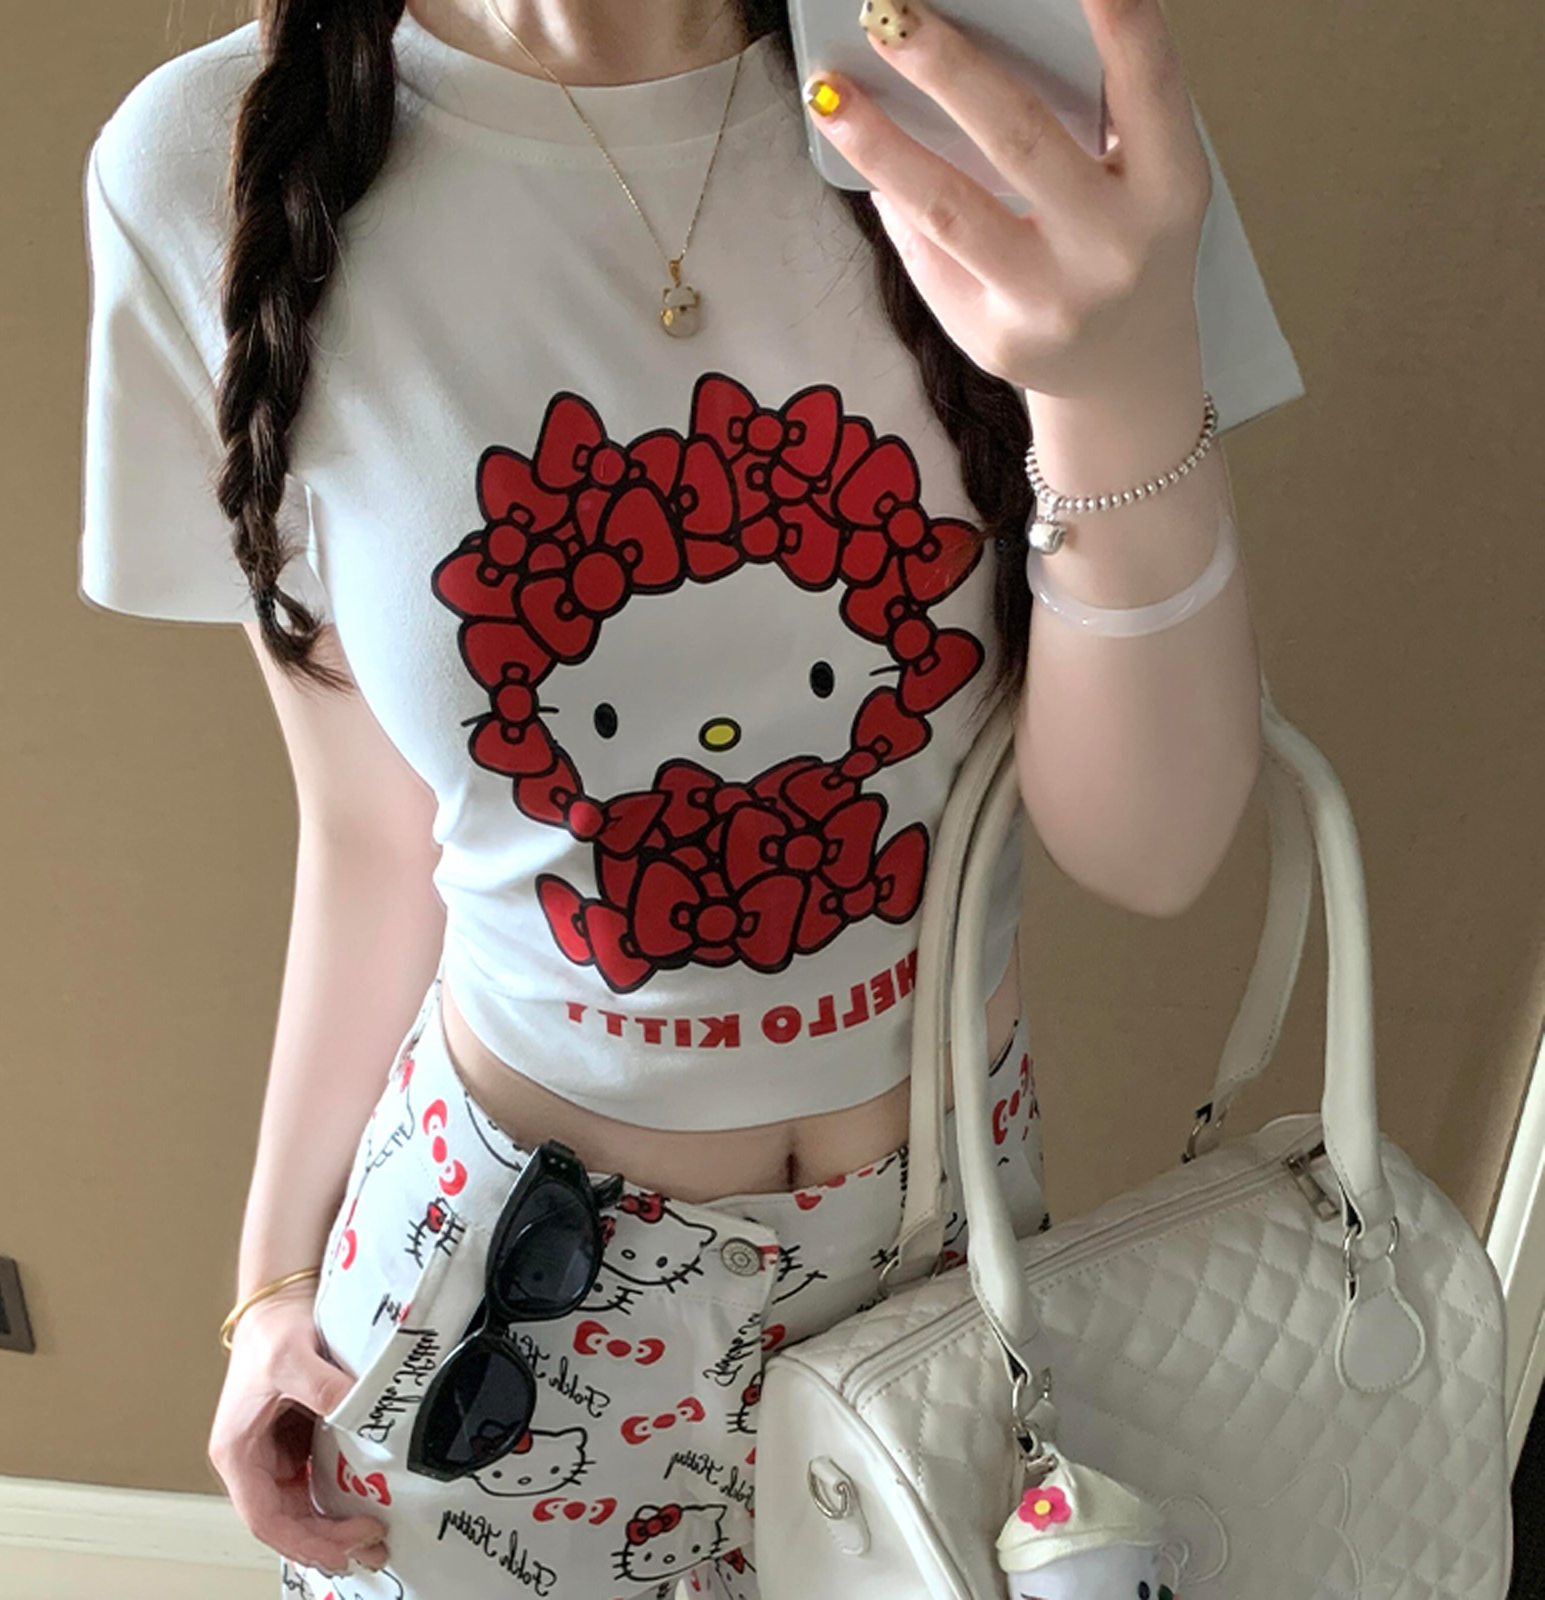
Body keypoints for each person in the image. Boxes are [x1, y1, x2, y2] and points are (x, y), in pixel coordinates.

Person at [77, 0, 1303, 1593]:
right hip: (502, 1286)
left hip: (939, 1262)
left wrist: (1118, 391)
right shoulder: (210, 163)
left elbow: (1152, 853)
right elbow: (372, 834)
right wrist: (271, 1291)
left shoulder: (1015, 82)